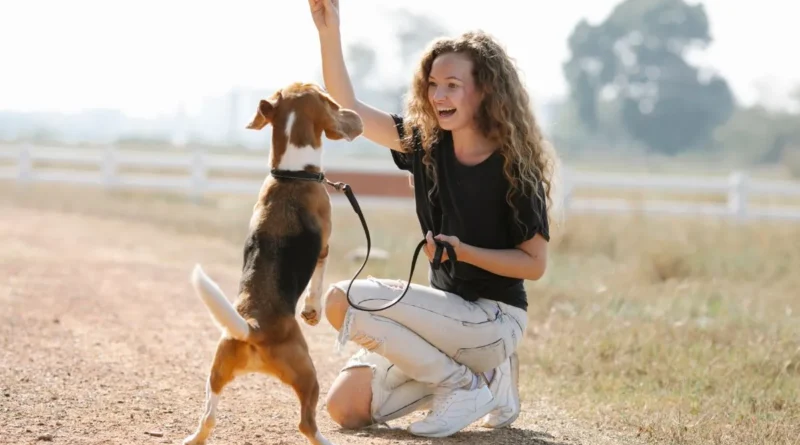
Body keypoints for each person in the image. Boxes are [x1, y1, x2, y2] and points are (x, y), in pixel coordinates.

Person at [306, 0, 557, 439]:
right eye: (433, 84)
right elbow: (348, 108)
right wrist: (330, 31)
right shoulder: (425, 144)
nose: (439, 96)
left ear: (485, 91)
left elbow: (534, 265)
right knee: (345, 408)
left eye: (453, 85)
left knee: (341, 300)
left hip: (494, 320)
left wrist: (465, 252)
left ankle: (464, 385)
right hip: (443, 320)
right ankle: (488, 381)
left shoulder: (515, 167)